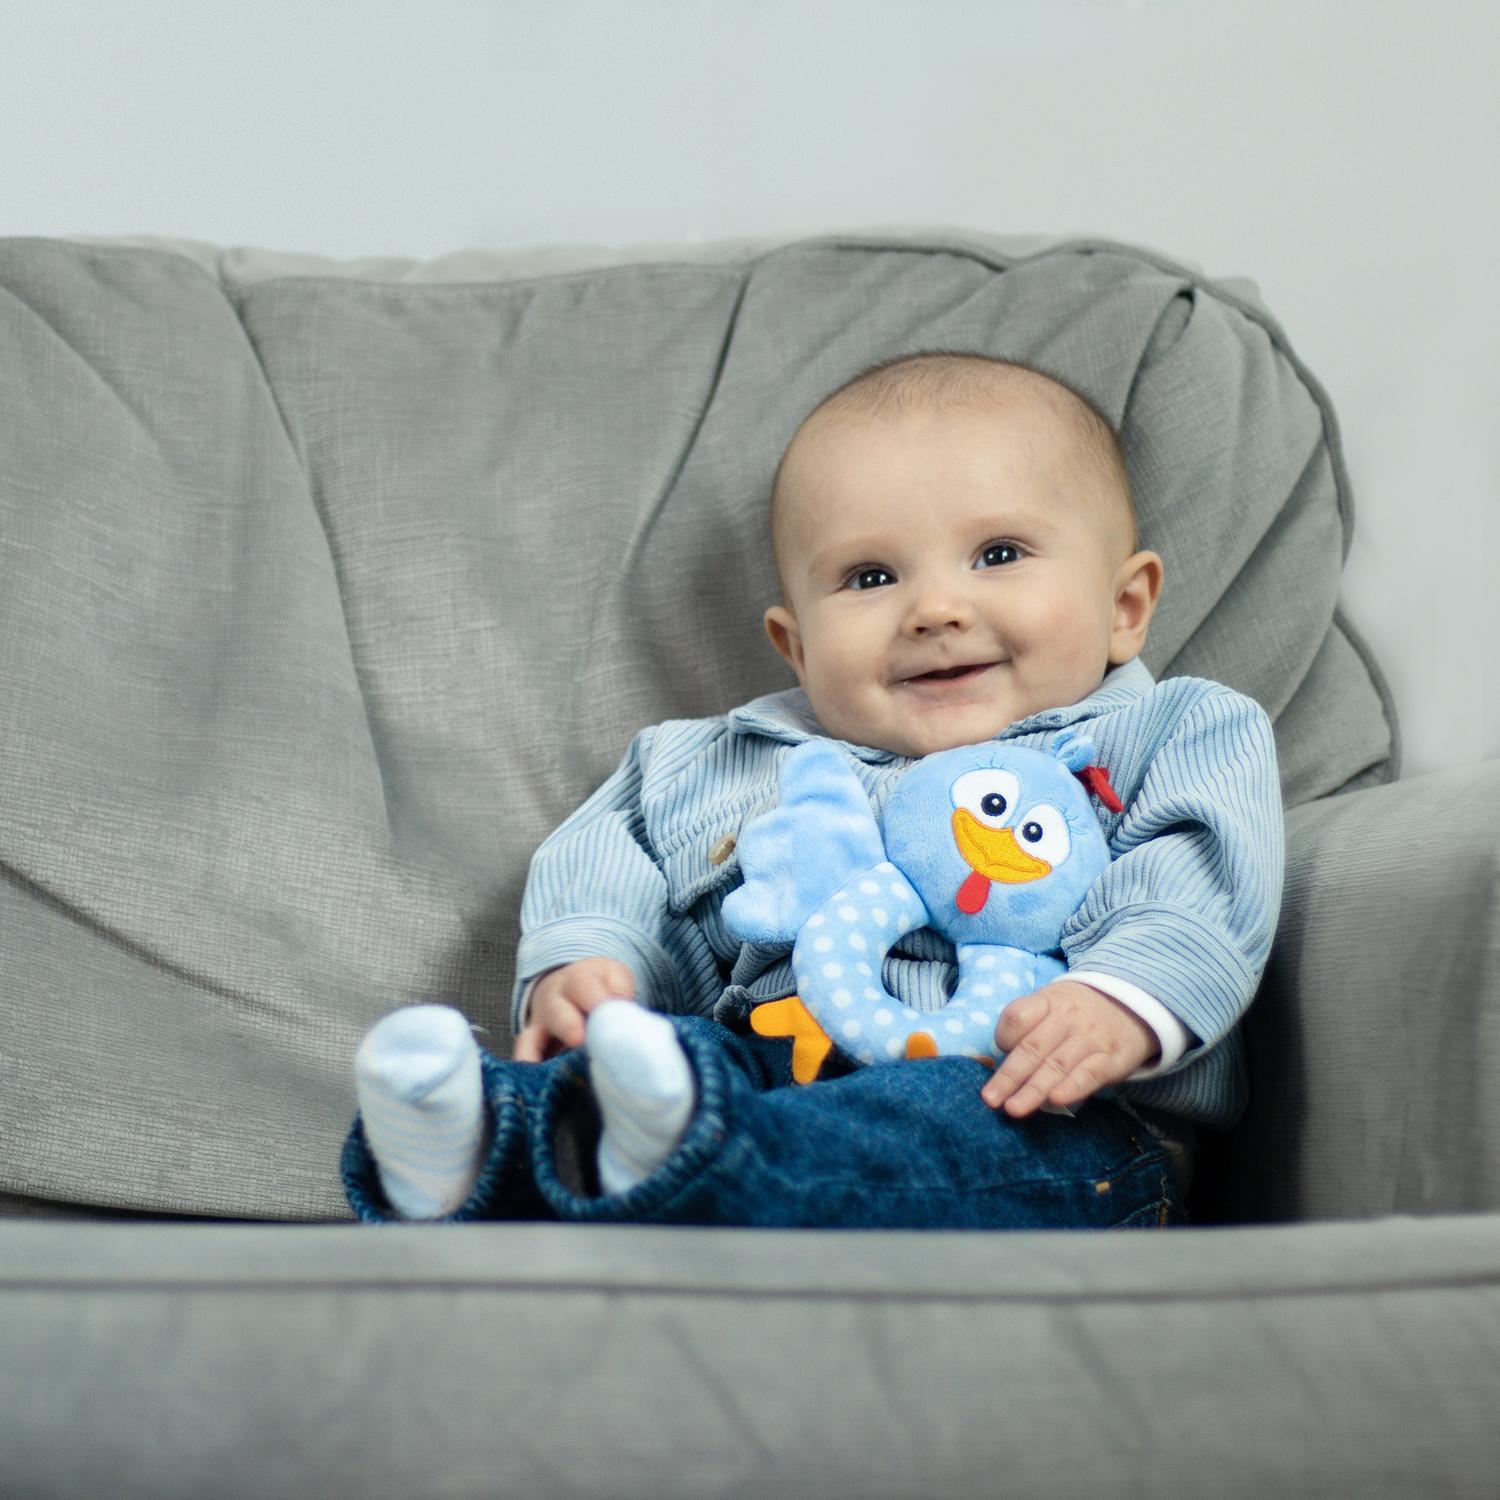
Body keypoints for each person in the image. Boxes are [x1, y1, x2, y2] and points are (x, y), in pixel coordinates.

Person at [341, 351, 1284, 1230]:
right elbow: (606, 849)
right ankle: (461, 1143)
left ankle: (677, 1154)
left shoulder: (1176, 731)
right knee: (674, 1064)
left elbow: (1202, 871)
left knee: (921, 1117)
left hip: (1035, 1102)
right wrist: (591, 964)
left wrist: (1124, 1000)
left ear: (1125, 607)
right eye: (870, 576)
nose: (935, 610)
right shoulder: (714, 761)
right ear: (797, 644)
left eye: (998, 554)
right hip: (768, 1061)